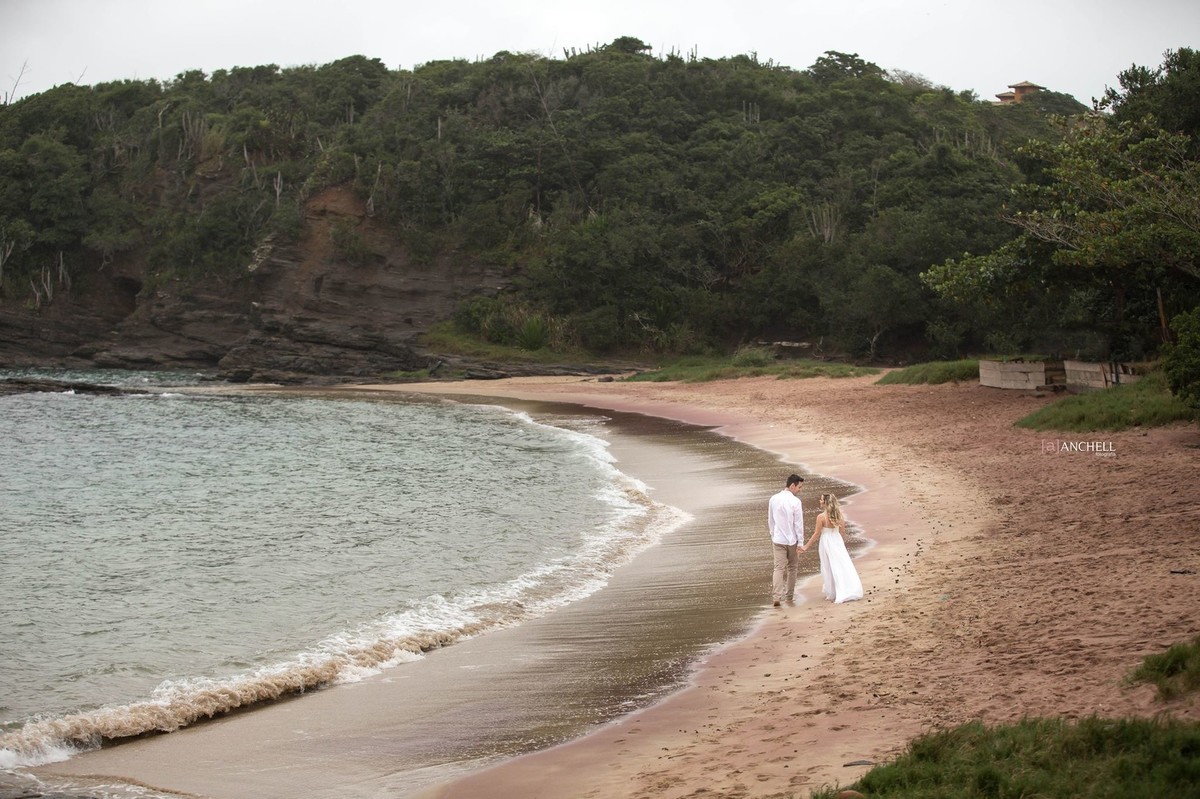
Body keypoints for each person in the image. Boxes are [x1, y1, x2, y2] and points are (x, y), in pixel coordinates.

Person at [801, 492, 863, 604]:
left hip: (826, 542)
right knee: (842, 564)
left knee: (828, 566)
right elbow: (843, 532)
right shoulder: (839, 515)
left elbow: (816, 534)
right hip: (837, 540)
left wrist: (806, 546)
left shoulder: (821, 517)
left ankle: (833, 592)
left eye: (821, 500)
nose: (819, 501)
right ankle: (848, 588)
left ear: (825, 502)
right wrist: (840, 543)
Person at [767, 473, 804, 607]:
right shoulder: (795, 502)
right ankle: (789, 596)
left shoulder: (773, 499)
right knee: (792, 568)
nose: (800, 490)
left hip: (778, 539)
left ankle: (776, 596)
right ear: (792, 485)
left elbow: (770, 520)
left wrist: (773, 534)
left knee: (778, 568)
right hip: (792, 540)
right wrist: (800, 543)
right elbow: (798, 524)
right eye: (799, 487)